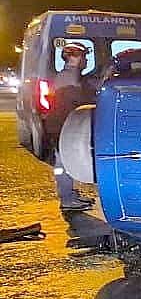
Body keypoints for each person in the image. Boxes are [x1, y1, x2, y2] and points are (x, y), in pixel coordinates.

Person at [48, 43, 95, 212]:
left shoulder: (70, 75)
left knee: (66, 163)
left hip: (63, 126)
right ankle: (67, 199)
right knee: (63, 164)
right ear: (74, 57)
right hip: (63, 127)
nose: (85, 59)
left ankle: (70, 195)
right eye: (83, 56)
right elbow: (75, 104)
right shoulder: (69, 79)